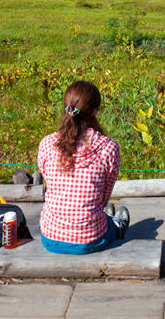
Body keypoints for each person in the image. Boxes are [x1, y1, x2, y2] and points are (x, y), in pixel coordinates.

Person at [36, 80, 130, 253]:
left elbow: (49, 182)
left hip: (49, 238)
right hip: (91, 240)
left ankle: (108, 220)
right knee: (109, 224)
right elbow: (103, 199)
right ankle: (117, 226)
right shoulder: (108, 147)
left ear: (66, 106)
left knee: (100, 216)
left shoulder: (47, 144)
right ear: (94, 111)